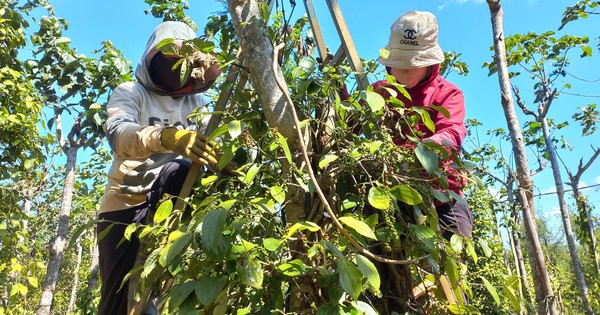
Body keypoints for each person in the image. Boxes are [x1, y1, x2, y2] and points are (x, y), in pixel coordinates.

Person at [97, 21, 222, 315]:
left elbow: (214, 148)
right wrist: (166, 137)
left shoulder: (198, 103)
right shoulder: (131, 92)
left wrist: (228, 161)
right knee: (118, 303)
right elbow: (119, 134)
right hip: (125, 206)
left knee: (150, 302)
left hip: (172, 205)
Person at [374, 10, 473, 240]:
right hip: (395, 193)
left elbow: (453, 131)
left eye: (411, 65)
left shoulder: (448, 94)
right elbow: (353, 123)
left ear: (430, 63)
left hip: (443, 197)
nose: (404, 72)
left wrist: (425, 148)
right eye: (399, 64)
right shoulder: (380, 92)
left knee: (456, 260)